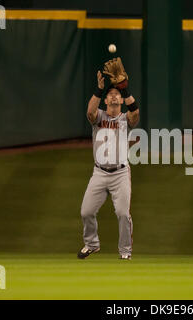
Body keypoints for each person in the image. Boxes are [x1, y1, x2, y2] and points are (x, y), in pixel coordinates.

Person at [78, 59, 139, 260]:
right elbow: (89, 112)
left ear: (121, 101)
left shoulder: (125, 120)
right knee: (86, 211)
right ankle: (92, 244)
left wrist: (125, 89)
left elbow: (135, 113)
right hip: (99, 173)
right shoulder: (99, 117)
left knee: (123, 214)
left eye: (117, 95)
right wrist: (99, 89)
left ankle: (125, 252)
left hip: (120, 173)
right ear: (106, 100)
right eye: (111, 94)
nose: (114, 96)